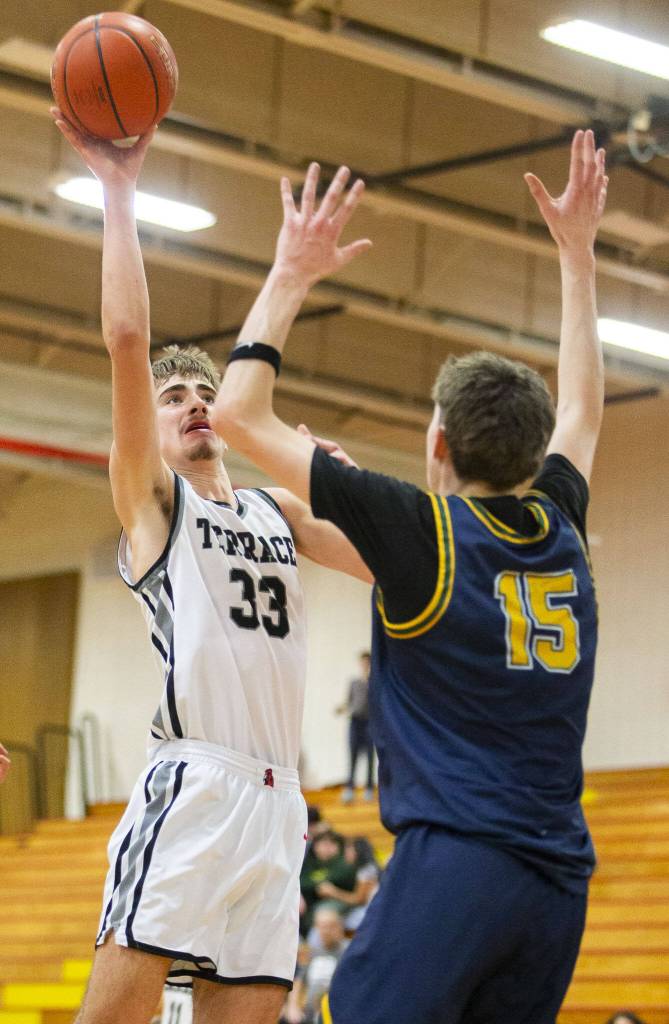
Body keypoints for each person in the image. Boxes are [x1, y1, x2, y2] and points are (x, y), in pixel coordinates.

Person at [212, 128, 607, 1024]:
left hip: (455, 864)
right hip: (556, 885)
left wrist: (292, 272)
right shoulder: (560, 521)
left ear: (436, 443)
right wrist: (577, 257)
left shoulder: (421, 530)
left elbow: (237, 411)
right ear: (530, 451)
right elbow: (582, 405)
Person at [50, 110, 372, 1024]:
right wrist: (119, 190)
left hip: (279, 809)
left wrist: (361, 493)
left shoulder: (277, 511)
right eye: (173, 397)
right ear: (146, 430)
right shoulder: (157, 506)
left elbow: (396, 570)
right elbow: (124, 340)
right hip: (194, 786)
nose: (193, 404)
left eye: (202, 392)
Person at [282, 906, 349, 1024]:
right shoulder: (310, 951)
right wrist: (293, 1006)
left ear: (339, 927)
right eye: (322, 927)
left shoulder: (347, 951)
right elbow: (298, 980)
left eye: (331, 926)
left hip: (334, 1008)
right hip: (308, 1010)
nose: (326, 931)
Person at [336, 651, 374, 803]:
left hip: (370, 724)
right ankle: (349, 788)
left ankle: (369, 788)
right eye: (362, 662)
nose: (364, 665)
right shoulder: (354, 683)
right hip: (355, 722)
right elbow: (348, 701)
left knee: (370, 757)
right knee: (353, 755)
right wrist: (341, 708)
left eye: (367, 662)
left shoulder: (374, 682)